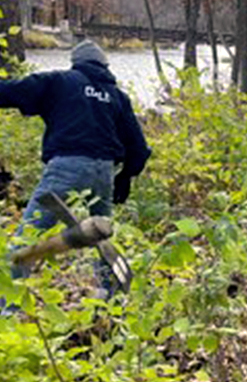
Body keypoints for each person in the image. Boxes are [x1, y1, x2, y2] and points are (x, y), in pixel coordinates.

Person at [1, 40, 151, 307]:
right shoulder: (116, 95)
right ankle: (112, 306)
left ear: (76, 62)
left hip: (66, 168)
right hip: (104, 173)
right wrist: (126, 175)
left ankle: (6, 311)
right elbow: (138, 148)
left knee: (27, 236)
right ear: (104, 65)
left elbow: (13, 91)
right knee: (101, 237)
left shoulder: (61, 80)